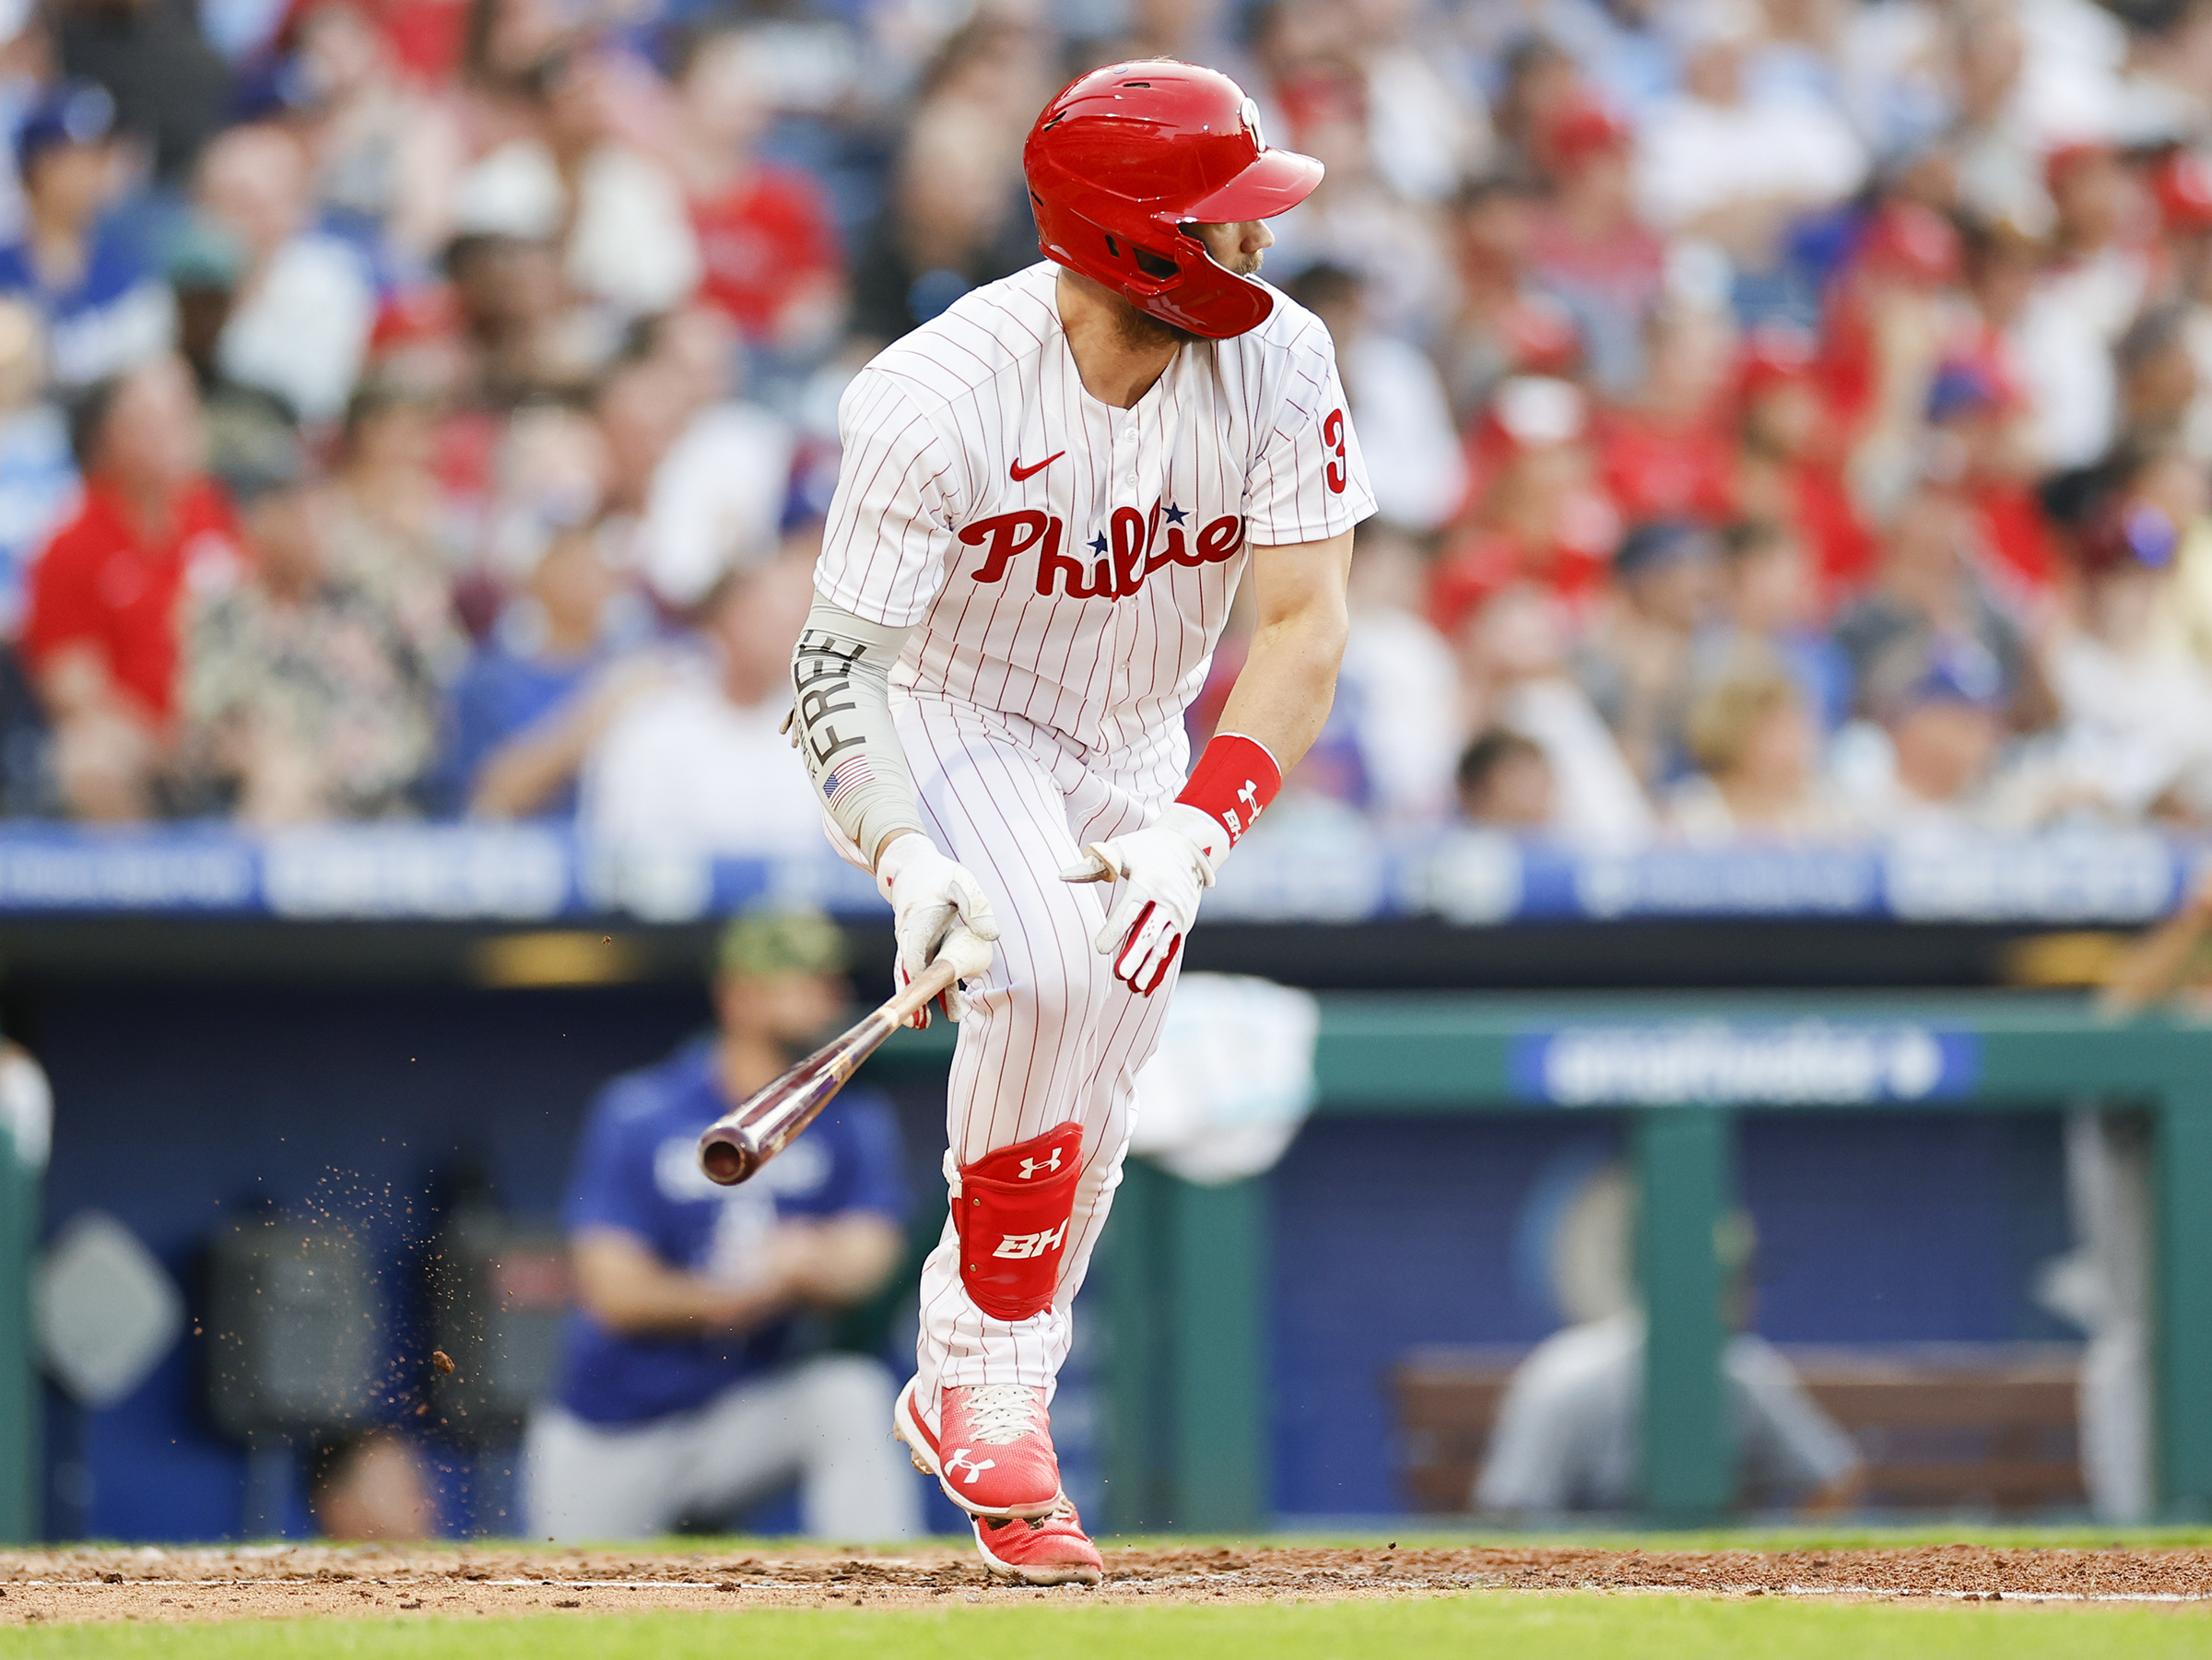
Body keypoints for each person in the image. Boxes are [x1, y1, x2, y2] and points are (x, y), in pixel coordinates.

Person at [787, 62, 1371, 1583]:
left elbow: (1305, 630)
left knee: (1098, 1052)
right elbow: (832, 670)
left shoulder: (1286, 359)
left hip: (1139, 731)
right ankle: (977, 1366)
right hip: (960, 711)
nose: (1254, 243)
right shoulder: (931, 396)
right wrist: (909, 859)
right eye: (1220, 219)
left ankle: (998, 1392)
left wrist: (1202, 823)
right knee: (1041, 968)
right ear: (1130, 239)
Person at [524, 909, 918, 1543]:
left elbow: (872, 1253)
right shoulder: (644, 1110)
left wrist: (811, 1259)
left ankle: (886, 1616)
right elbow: (611, 1288)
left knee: (848, 1394)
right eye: (805, 979)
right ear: (740, 994)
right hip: (616, 1424)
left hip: (742, 1414)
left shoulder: (852, 1117)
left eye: (831, 980)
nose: (830, 997)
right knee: (568, 1620)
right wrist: (732, 1294)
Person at [21, 355, 243, 820]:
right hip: (130, 731)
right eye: (154, 421)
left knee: (291, 763)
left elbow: (251, 634)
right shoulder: (71, 542)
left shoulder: (214, 516)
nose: (178, 434)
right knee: (91, 760)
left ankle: (254, 888)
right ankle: (138, 893)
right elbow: (71, 684)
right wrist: (160, 738)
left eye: (184, 416)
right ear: (106, 437)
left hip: (218, 726)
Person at [0, 81, 171, 391]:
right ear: (38, 165)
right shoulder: (5, 266)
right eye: (80, 157)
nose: (95, 171)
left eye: (102, 157)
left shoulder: (127, 272)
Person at [308, 1429, 436, 1541]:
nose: (424, 1506)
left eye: (419, 1491)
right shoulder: (304, 1562)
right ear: (340, 1504)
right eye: (406, 1492)